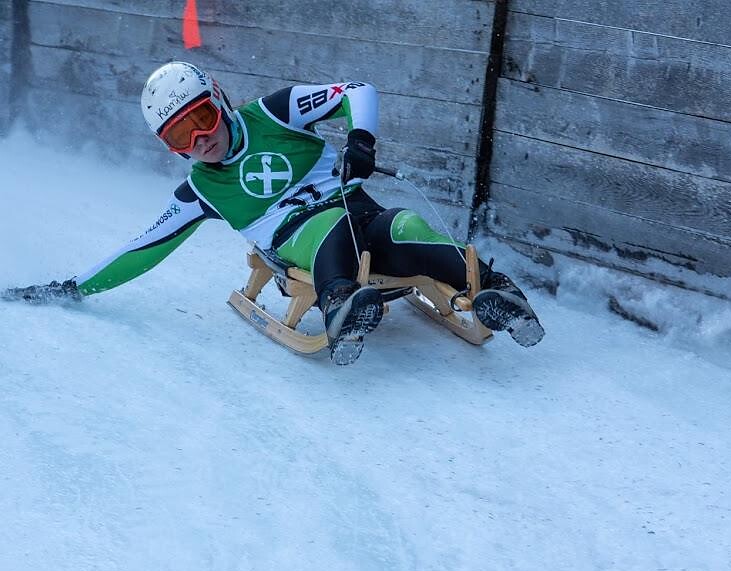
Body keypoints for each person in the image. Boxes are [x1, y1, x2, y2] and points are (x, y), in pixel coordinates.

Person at [5, 62, 544, 365]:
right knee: (332, 228)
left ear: (219, 99)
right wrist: (71, 287)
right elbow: (140, 249)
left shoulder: (274, 113)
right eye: (180, 138)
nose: (201, 141)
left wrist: (359, 139)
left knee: (403, 226)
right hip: (301, 238)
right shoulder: (201, 192)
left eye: (201, 119)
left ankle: (489, 288)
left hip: (359, 210)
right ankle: (340, 303)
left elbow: (358, 89)